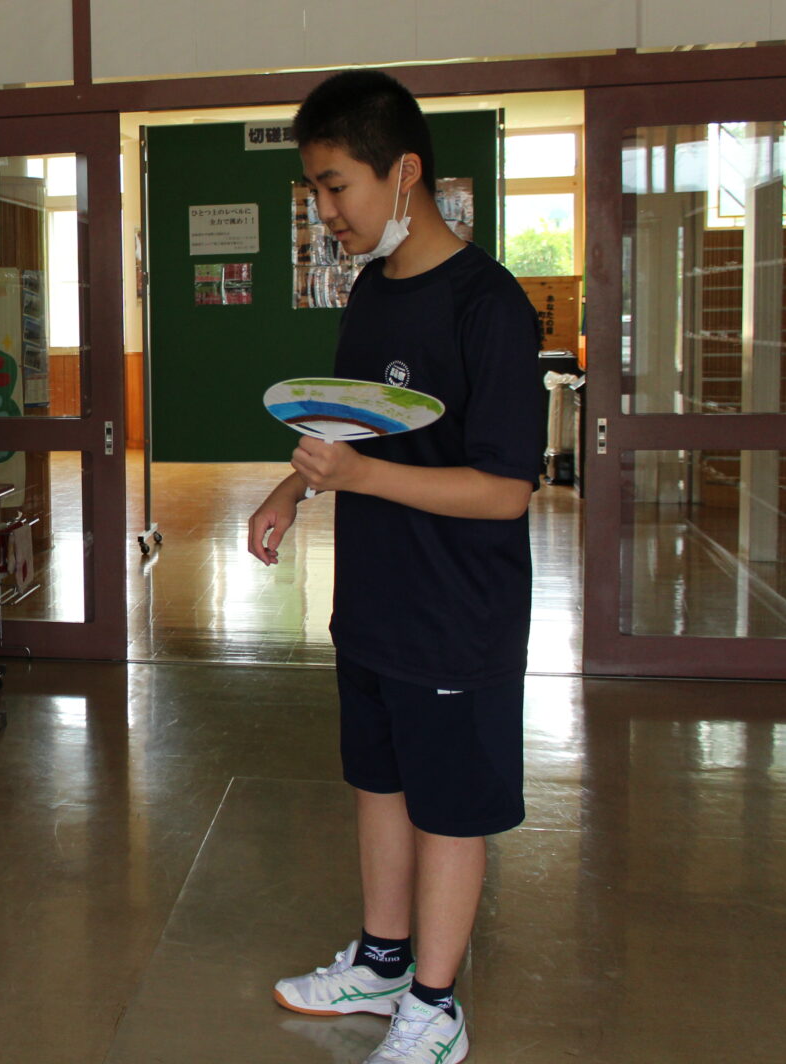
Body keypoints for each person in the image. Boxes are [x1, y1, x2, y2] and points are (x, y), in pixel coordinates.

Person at [246, 70, 543, 1064]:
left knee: (450, 810)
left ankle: (436, 1004)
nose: (325, 213)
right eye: (316, 193)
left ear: (404, 173)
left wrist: (362, 478)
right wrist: (294, 491)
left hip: (460, 611)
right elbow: (346, 422)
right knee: (378, 781)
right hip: (373, 599)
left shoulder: (490, 308)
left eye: (337, 188)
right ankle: (380, 962)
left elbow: (505, 490)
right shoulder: (372, 291)